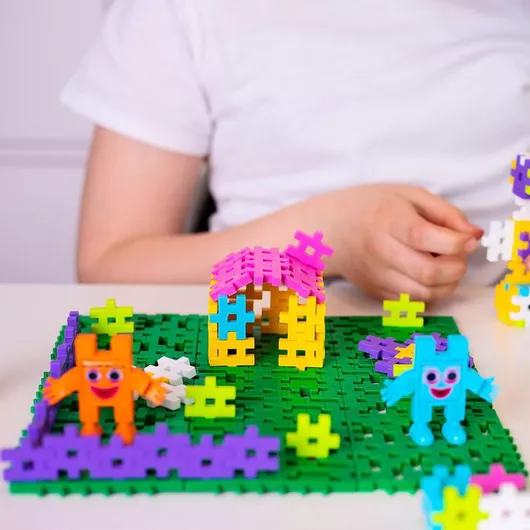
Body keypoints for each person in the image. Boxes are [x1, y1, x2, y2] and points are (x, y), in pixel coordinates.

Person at [61, 0, 530, 301]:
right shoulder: (177, 13)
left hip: (501, 332)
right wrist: (329, 240)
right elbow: (109, 263)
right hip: (267, 339)